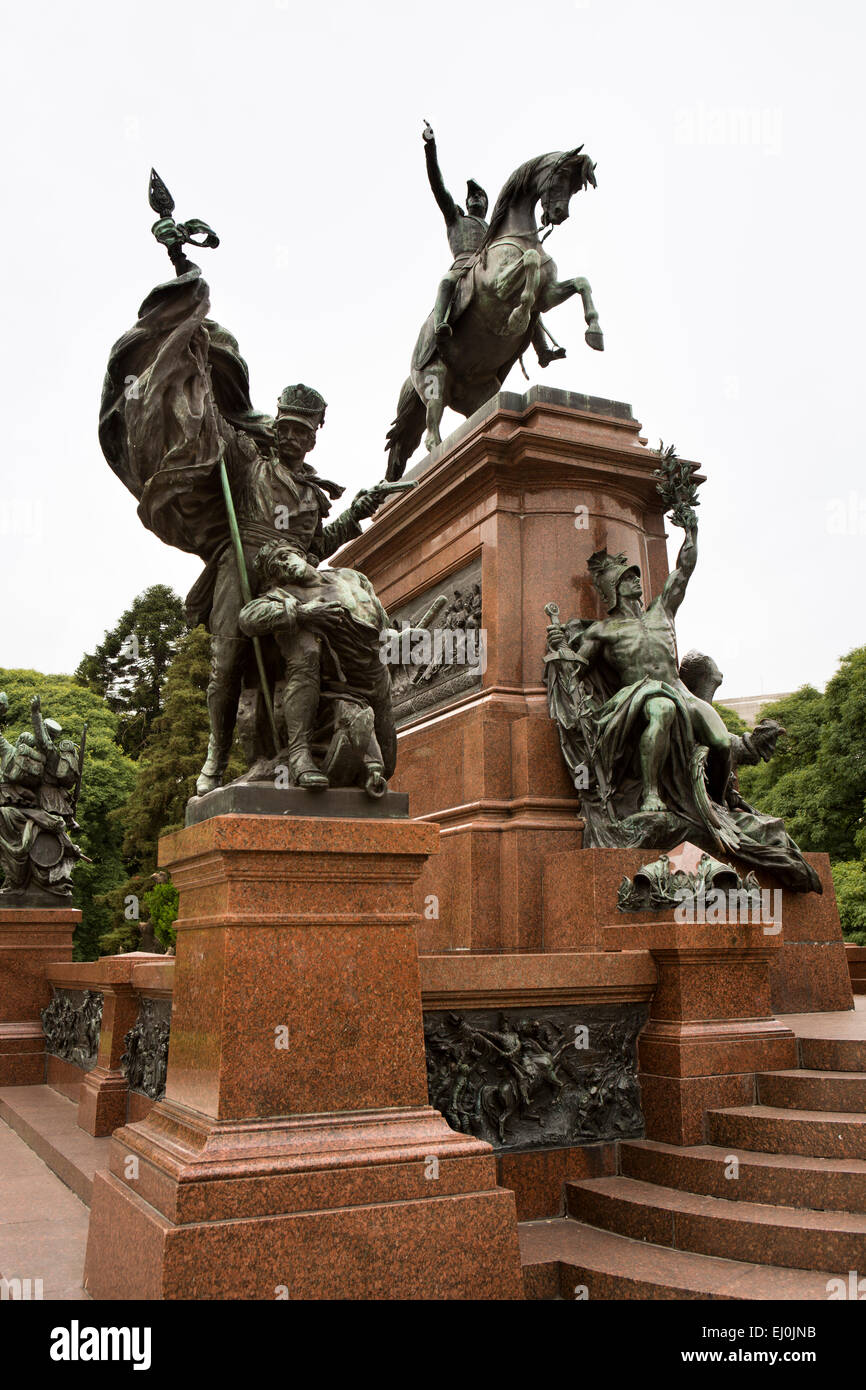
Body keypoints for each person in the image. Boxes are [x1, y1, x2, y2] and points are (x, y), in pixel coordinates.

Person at [422, 122, 565, 366]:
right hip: (463, 267)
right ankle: (440, 325)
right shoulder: (456, 218)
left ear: (487, 205)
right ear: (466, 202)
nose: (476, 198)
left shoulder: (494, 230)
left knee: (528, 299)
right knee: (446, 282)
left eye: (480, 196)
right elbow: (438, 187)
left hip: (490, 266)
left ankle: (542, 350)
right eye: (472, 196)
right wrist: (430, 147)